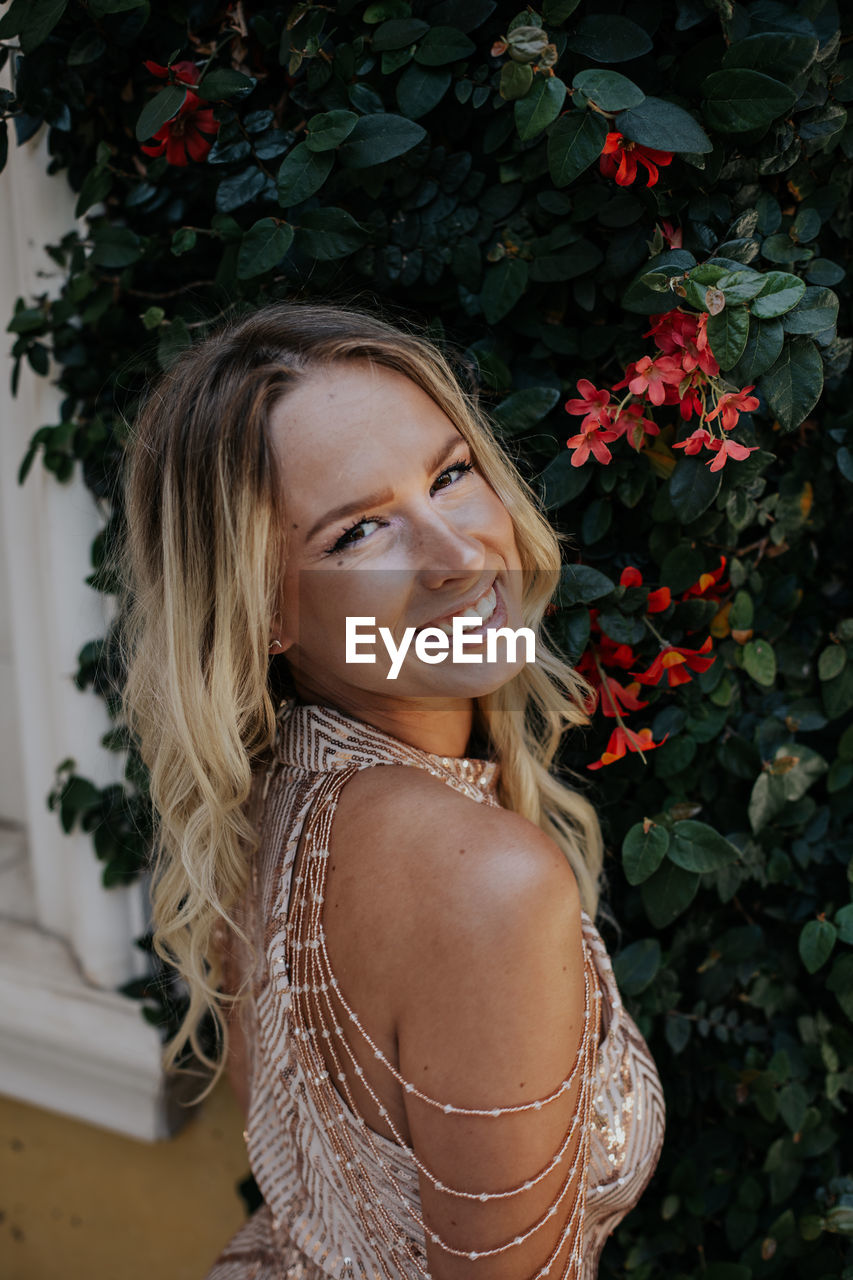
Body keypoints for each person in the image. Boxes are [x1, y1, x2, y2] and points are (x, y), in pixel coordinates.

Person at [120, 298, 665, 1280]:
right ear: (264, 610)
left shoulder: (259, 800)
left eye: (450, 474)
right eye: (360, 531)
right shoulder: (486, 880)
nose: (460, 559)